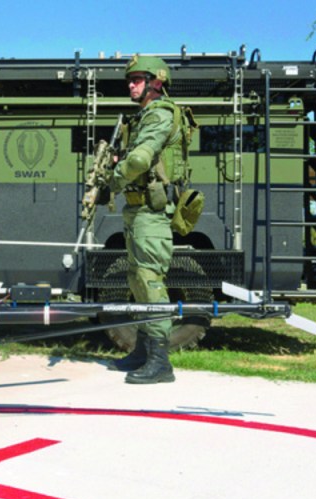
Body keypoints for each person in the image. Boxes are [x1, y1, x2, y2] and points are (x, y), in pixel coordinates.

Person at [104, 55, 180, 384]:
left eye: (137, 79)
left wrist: (114, 178)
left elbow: (139, 159)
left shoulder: (160, 113)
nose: (131, 85)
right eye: (130, 79)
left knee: (150, 282)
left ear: (157, 82)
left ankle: (161, 363)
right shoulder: (143, 116)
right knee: (138, 280)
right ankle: (144, 351)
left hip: (151, 212)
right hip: (138, 212)